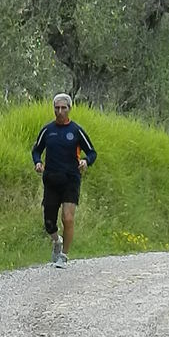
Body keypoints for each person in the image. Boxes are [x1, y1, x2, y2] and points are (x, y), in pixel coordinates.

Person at [32, 93, 97, 268]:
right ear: (53, 109)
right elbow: (36, 150)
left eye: (63, 108)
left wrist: (85, 161)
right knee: (49, 222)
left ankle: (64, 256)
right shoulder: (47, 130)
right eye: (57, 108)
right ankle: (56, 241)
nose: (60, 111)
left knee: (67, 218)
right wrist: (38, 162)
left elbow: (92, 152)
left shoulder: (76, 131)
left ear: (69, 109)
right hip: (51, 180)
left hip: (71, 179)